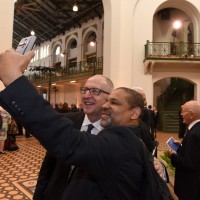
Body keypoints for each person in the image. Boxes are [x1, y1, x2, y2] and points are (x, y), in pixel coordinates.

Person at [0, 50, 165, 200]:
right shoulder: (73, 120)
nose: (106, 105)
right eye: (84, 90)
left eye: (113, 101)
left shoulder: (126, 139)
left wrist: (14, 80)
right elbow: (48, 169)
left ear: (134, 113)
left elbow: (66, 140)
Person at [34, 74, 114, 200]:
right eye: (85, 90)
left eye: (95, 91)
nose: (86, 95)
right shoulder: (66, 123)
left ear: (109, 98)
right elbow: (48, 166)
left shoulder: (114, 133)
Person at [167, 100, 200, 200]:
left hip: (190, 186)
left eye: (183, 112)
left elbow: (189, 164)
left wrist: (172, 155)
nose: (181, 114)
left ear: (191, 115)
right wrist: (181, 146)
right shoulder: (196, 129)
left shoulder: (194, 134)